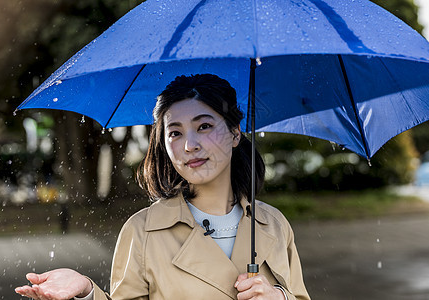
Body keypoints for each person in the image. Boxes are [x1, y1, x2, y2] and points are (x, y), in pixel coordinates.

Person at [15, 74, 310, 300]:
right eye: (175, 133)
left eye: (204, 126)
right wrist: (87, 292)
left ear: (235, 133)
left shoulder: (273, 225)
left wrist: (280, 296)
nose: (189, 145)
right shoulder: (142, 232)